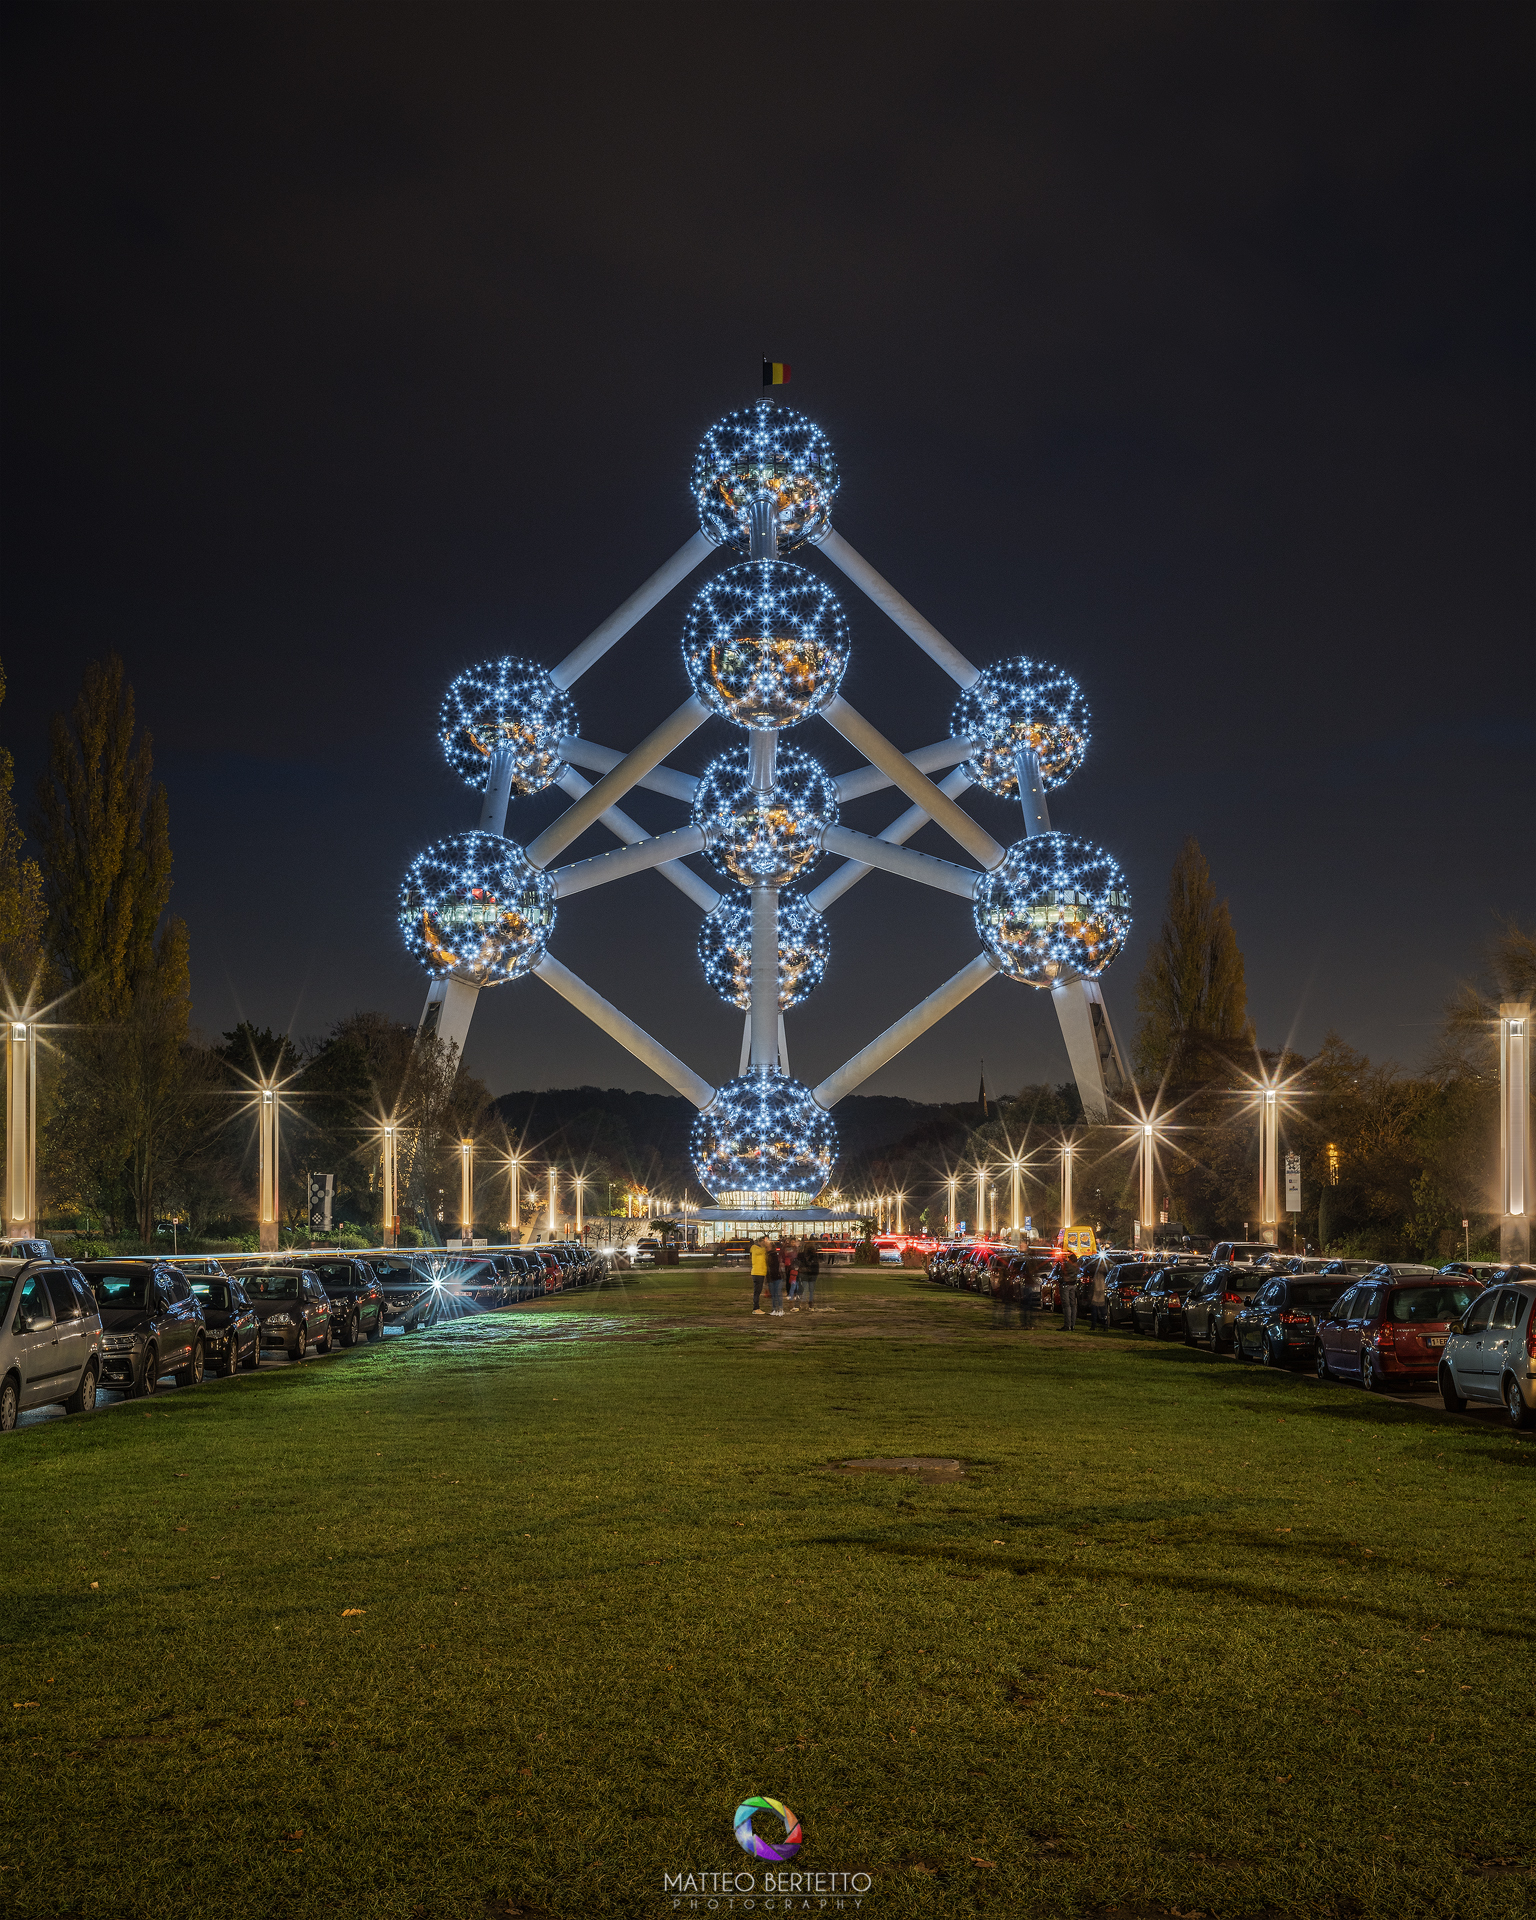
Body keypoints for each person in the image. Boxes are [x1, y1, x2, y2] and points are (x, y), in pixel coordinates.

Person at [1059, 1253, 1080, 1332]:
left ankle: (1067, 1325)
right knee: (1073, 1305)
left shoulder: (1067, 1265)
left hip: (1065, 1285)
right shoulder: (1076, 1266)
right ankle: (1072, 1325)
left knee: (1066, 1306)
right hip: (1073, 1285)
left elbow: (1061, 1272)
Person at [799, 1236, 820, 1310]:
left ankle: (805, 1302)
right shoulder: (812, 1252)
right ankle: (808, 1302)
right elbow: (815, 1262)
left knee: (807, 1288)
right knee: (810, 1289)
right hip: (810, 1271)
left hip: (808, 1272)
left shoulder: (803, 1251)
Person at [1089, 1260, 1108, 1333]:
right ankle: (1095, 1325)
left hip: (1101, 1292)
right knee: (1095, 1311)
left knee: (1102, 1312)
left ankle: (1103, 1325)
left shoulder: (1104, 1273)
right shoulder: (1096, 1273)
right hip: (1097, 1293)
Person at [767, 1240, 785, 1316]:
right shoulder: (769, 1255)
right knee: (774, 1294)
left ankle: (780, 1308)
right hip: (772, 1276)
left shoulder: (774, 1255)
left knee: (777, 1293)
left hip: (776, 1276)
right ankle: (775, 1309)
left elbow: (775, 1267)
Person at [750, 1239, 768, 1314]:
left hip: (759, 1273)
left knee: (757, 1292)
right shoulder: (756, 1249)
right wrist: (765, 1247)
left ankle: (756, 1308)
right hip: (758, 1273)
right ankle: (756, 1308)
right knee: (757, 1292)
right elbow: (761, 1251)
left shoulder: (758, 1250)